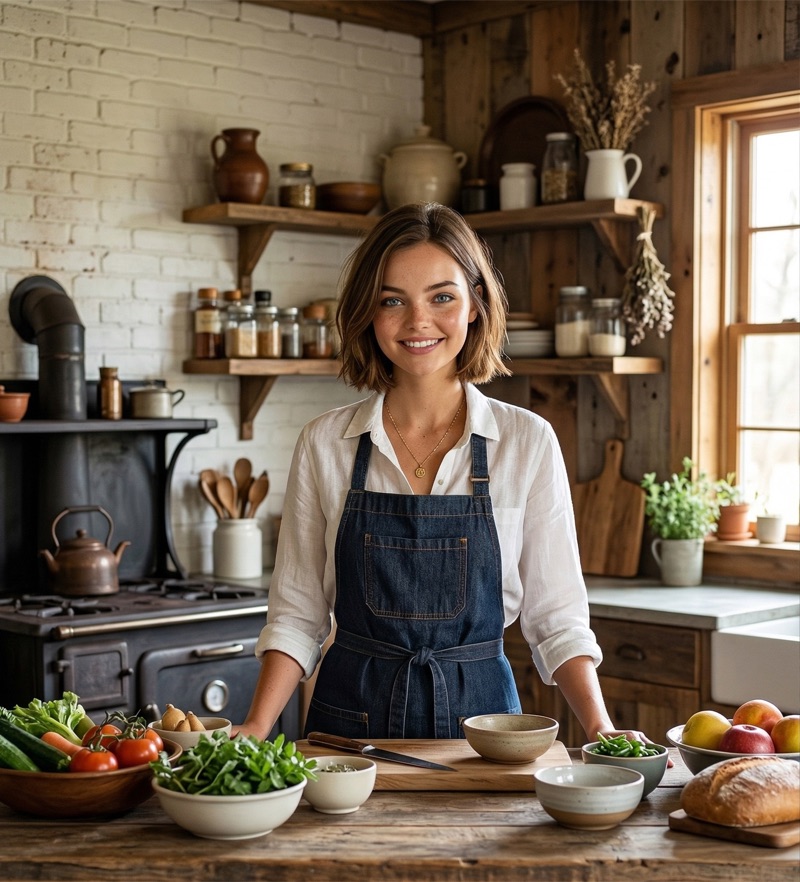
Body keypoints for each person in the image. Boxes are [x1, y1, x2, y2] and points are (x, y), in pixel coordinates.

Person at [235, 202, 652, 746]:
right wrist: (255, 728)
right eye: (393, 300)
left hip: (486, 734)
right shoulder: (325, 444)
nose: (418, 322)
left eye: (442, 297)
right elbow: (297, 616)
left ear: (476, 303)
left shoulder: (526, 442)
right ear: (369, 311)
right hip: (348, 736)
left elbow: (557, 620)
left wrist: (603, 729)